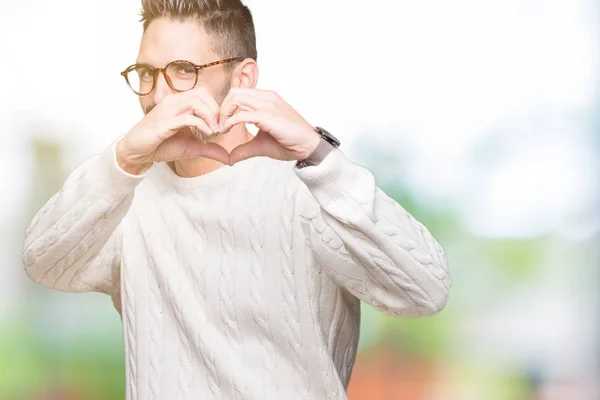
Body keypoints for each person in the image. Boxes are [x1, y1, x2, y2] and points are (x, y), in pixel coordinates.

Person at [22, 0, 451, 398]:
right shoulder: (127, 193)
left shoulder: (309, 191)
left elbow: (425, 291)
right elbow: (43, 262)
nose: (156, 96)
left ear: (242, 79)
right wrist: (126, 157)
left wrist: (320, 156)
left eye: (183, 70)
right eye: (147, 73)